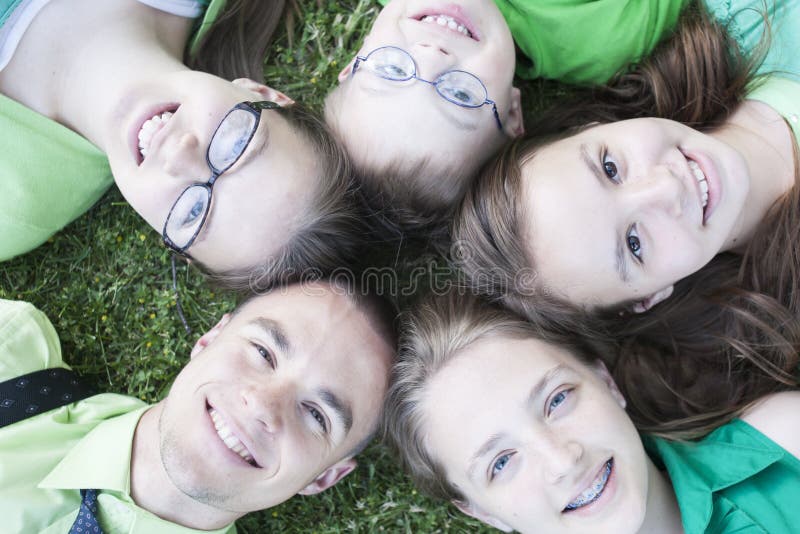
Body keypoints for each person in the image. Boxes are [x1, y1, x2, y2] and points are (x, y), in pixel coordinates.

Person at [454, 0, 800, 318]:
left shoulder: (750, 11)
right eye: (633, 245)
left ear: (592, 127)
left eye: (610, 168)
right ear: (650, 297)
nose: (665, 187)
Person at [0, 0, 358, 291]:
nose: (180, 155)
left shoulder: (9, 206)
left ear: (169, 241)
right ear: (261, 94)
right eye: (235, 146)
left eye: (192, 213)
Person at [383, 291, 800, 533]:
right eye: (502, 462)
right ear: (483, 513)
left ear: (606, 382)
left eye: (557, 400)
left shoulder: (781, 444)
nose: (563, 460)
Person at [0, 280, 396, 532]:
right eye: (263, 351)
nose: (262, 404)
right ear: (209, 339)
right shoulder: (11, 356)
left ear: (324, 478)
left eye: (316, 415)